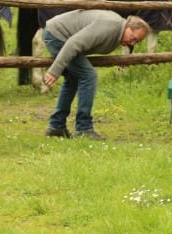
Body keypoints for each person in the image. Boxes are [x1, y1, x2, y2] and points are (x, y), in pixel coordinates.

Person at [42, 9, 150, 140]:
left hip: (57, 35)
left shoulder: (117, 31)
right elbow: (74, 43)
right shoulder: (110, 26)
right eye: (133, 38)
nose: (132, 43)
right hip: (57, 36)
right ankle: (83, 128)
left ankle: (56, 126)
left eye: (136, 42)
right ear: (128, 26)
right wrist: (54, 71)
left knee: (73, 79)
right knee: (89, 76)